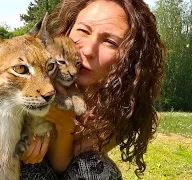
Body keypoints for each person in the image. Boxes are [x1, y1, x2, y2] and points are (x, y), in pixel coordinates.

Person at [20, 0, 165, 179]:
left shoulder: (124, 107)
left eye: (110, 42)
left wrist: (64, 122)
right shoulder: (39, 66)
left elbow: (65, 165)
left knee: (95, 169)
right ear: (68, 29)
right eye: (83, 30)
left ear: (130, 58)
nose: (87, 51)